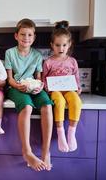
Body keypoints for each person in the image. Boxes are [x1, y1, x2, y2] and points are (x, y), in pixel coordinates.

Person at [4, 18, 53, 171]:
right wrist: (18, 86)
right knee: (27, 107)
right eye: (23, 34)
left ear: (34, 37)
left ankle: (46, 152)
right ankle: (27, 151)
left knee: (47, 106)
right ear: (16, 36)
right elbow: (9, 78)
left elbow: (38, 77)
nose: (26, 38)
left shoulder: (37, 55)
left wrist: (39, 86)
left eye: (30, 35)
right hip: (16, 88)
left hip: (34, 87)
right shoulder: (10, 53)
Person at [42, 20, 82, 153]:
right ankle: (60, 133)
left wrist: (78, 87)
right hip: (55, 90)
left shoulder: (72, 61)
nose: (61, 48)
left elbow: (76, 76)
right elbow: (44, 78)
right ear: (52, 45)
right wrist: (46, 87)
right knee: (59, 102)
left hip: (69, 89)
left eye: (64, 45)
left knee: (76, 101)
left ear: (69, 45)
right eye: (57, 45)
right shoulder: (48, 62)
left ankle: (71, 133)